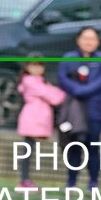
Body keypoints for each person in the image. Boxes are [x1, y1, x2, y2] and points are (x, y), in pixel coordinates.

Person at [57, 27, 101, 190]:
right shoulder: (68, 58)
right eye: (85, 38)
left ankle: (93, 182)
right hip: (72, 112)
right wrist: (76, 90)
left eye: (92, 38)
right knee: (73, 146)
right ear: (78, 39)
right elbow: (63, 79)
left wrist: (82, 91)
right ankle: (71, 181)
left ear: (98, 41)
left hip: (95, 111)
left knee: (92, 147)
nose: (89, 42)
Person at [16, 56, 65, 189]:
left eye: (39, 65)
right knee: (27, 149)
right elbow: (54, 97)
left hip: (39, 119)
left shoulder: (42, 81)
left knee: (29, 148)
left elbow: (53, 93)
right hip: (32, 118)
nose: (37, 68)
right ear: (27, 67)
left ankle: (25, 179)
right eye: (33, 65)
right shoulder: (30, 82)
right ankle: (24, 180)